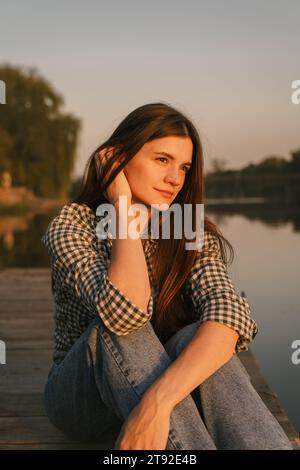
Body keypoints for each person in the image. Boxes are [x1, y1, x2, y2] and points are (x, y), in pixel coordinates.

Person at [41, 102, 293, 450]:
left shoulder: (187, 230)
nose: (175, 178)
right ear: (117, 159)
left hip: (156, 385)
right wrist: (122, 207)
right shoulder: (73, 226)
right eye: (162, 160)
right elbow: (124, 314)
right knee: (121, 331)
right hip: (81, 397)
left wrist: (156, 403)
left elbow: (230, 315)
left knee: (199, 339)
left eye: (184, 167)